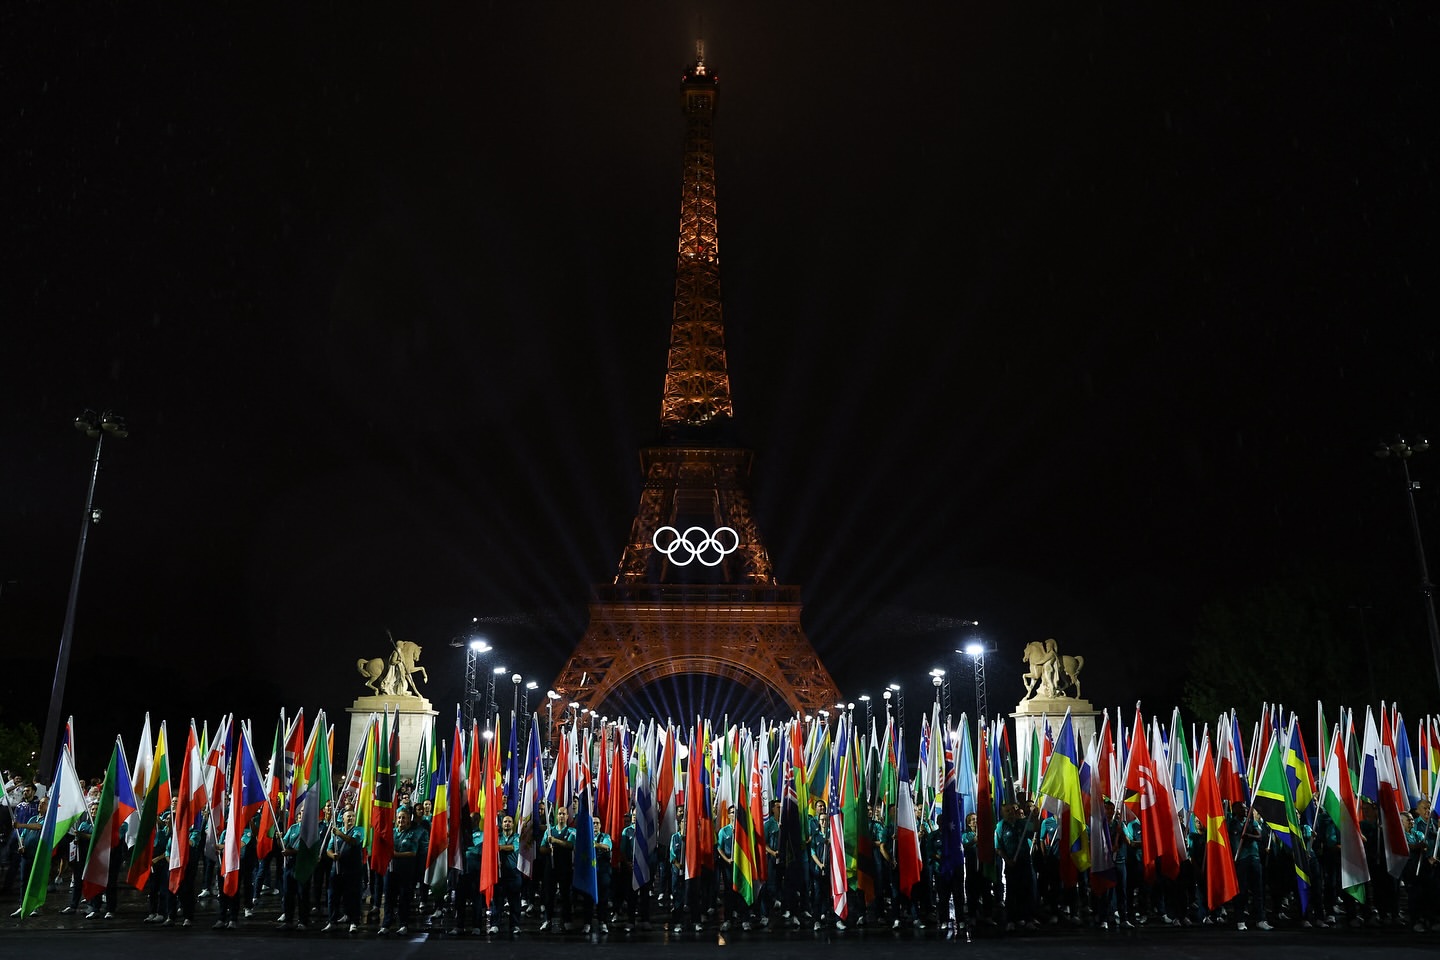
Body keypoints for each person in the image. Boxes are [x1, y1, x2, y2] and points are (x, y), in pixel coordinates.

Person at [379, 805, 426, 935]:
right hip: (390, 870)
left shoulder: (413, 833)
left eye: (404, 818)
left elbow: (413, 852)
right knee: (389, 897)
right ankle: (386, 925)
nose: (401, 820)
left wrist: (395, 854)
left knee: (404, 898)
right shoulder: (391, 833)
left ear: (408, 820)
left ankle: (403, 924)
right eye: (399, 817)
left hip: (406, 870)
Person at [1231, 801, 1273, 931]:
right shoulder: (1231, 824)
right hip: (1241, 859)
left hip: (1254, 857)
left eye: (1245, 808)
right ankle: (1240, 920)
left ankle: (1260, 919)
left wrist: (1249, 835)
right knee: (1241, 891)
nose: (1245, 810)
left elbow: (1260, 836)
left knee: (1258, 890)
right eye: (1242, 808)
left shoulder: (1250, 821)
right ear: (1235, 810)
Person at [325, 807, 364, 933]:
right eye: (349, 816)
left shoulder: (358, 830)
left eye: (353, 816)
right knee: (333, 896)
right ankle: (332, 921)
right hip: (337, 870)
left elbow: (354, 842)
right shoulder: (337, 831)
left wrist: (340, 834)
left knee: (353, 896)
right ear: (343, 818)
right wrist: (332, 856)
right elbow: (329, 849)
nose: (351, 818)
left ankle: (354, 922)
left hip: (353, 870)